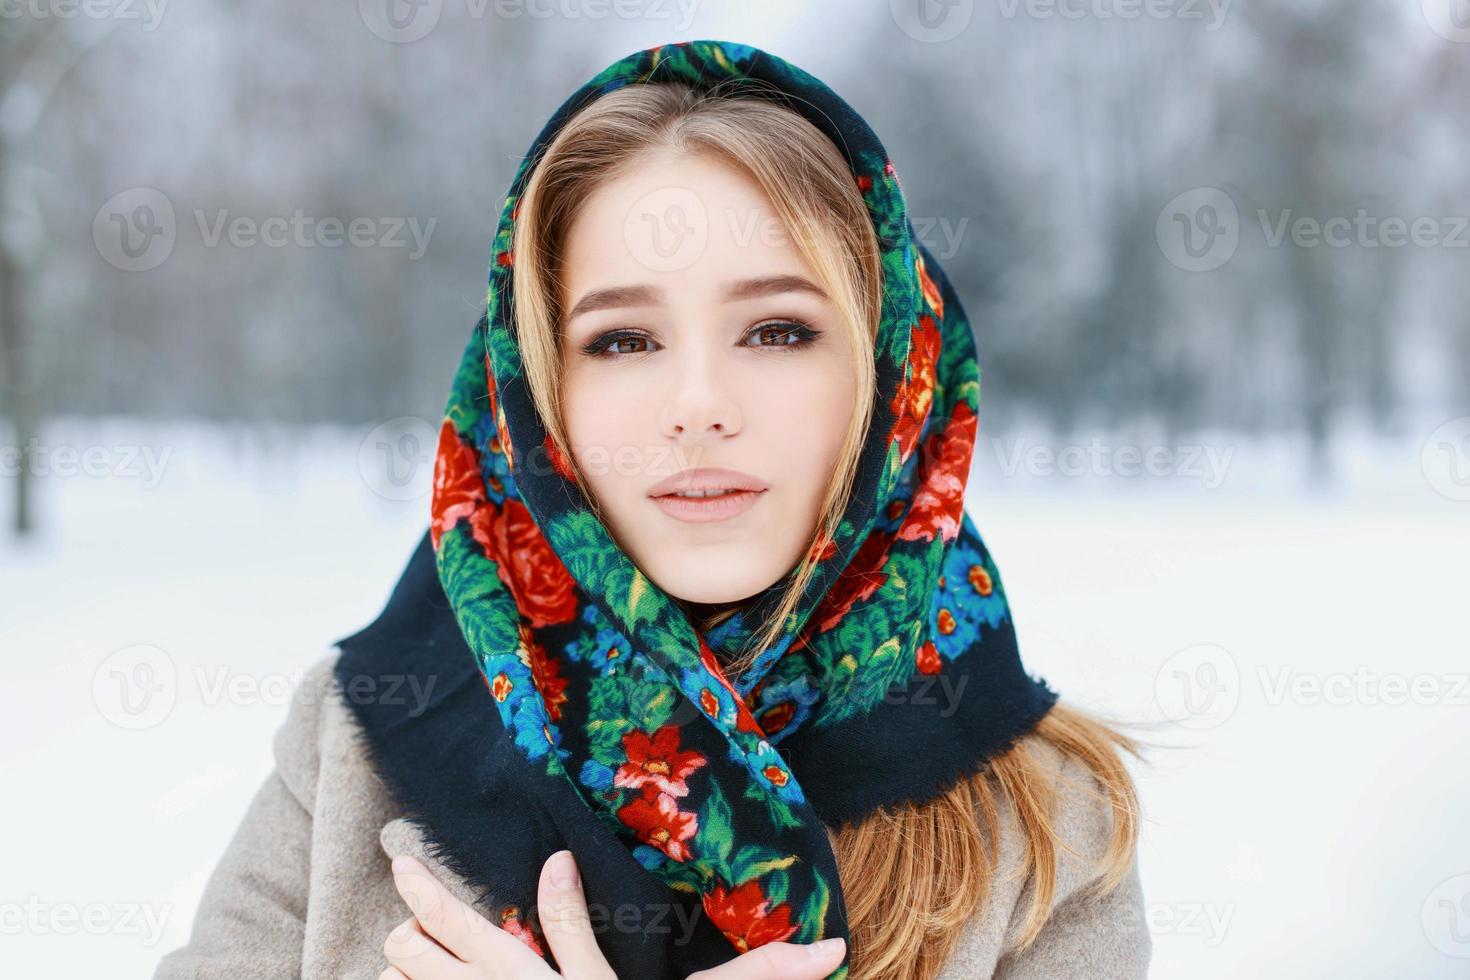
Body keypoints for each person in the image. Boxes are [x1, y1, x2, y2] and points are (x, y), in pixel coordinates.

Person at [154, 39, 1152, 980]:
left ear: (889, 374)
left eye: (776, 328)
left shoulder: (1051, 820)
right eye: (623, 340)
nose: (698, 407)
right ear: (537, 392)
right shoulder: (353, 738)